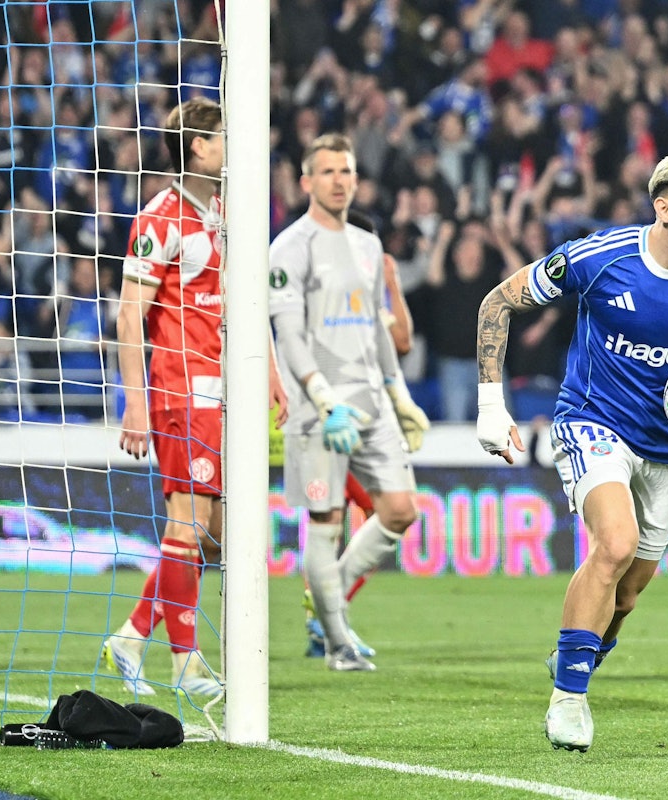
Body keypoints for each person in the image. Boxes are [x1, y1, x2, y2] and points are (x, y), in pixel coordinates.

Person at [476, 147, 668, 752]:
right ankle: (568, 697)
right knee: (612, 544)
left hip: (666, 444)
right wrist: (491, 406)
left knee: (630, 591)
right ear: (663, 207)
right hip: (591, 422)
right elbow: (497, 303)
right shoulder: (600, 258)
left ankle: (575, 656)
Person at [103, 97, 289, 697]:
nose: (233, 147)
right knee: (187, 526)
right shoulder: (158, 218)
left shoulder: (227, 211)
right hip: (181, 389)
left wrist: (273, 372)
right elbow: (130, 318)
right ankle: (186, 663)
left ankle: (132, 637)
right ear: (199, 147)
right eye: (224, 137)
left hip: (225, 390)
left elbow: (245, 299)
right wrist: (134, 404)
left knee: (212, 534)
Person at [268, 132, 430, 672]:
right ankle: (337, 641)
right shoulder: (288, 247)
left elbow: (377, 329)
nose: (340, 181)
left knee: (400, 510)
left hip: (371, 404)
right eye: (329, 172)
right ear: (307, 181)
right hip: (318, 413)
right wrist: (319, 396)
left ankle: (327, 589)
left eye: (347, 171)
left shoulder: (367, 246)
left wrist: (399, 393)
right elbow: (287, 334)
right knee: (325, 520)